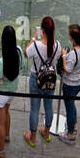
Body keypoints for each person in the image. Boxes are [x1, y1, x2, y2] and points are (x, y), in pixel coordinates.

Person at [25, 16, 60, 146]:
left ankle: (32, 138)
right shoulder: (57, 45)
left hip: (36, 79)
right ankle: (46, 133)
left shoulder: (36, 45)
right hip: (50, 79)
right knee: (49, 106)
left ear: (42, 30)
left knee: (34, 108)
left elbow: (25, 53)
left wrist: (34, 38)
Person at [0, 24, 24, 158]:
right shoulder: (19, 51)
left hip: (1, 93)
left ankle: (1, 150)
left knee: (0, 122)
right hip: (12, 90)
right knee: (7, 112)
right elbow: (22, 66)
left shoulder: (2, 61)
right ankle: (6, 136)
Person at [58, 23, 80, 144]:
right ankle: (73, 124)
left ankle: (70, 134)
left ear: (72, 37)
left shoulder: (72, 55)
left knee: (69, 108)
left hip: (70, 85)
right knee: (72, 105)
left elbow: (68, 70)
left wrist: (64, 56)